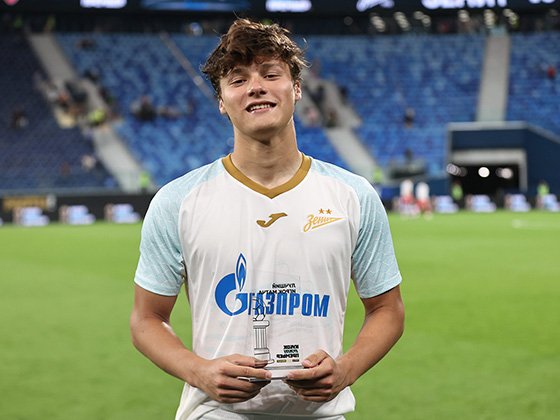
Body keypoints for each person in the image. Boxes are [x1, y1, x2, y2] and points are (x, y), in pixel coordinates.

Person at [130, 18, 404, 420]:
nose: (255, 87)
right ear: (221, 100)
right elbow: (146, 319)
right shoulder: (178, 201)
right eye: (238, 80)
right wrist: (199, 371)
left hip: (320, 414)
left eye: (270, 74)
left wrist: (346, 369)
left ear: (296, 87)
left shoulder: (353, 195)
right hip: (218, 413)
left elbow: (388, 309)